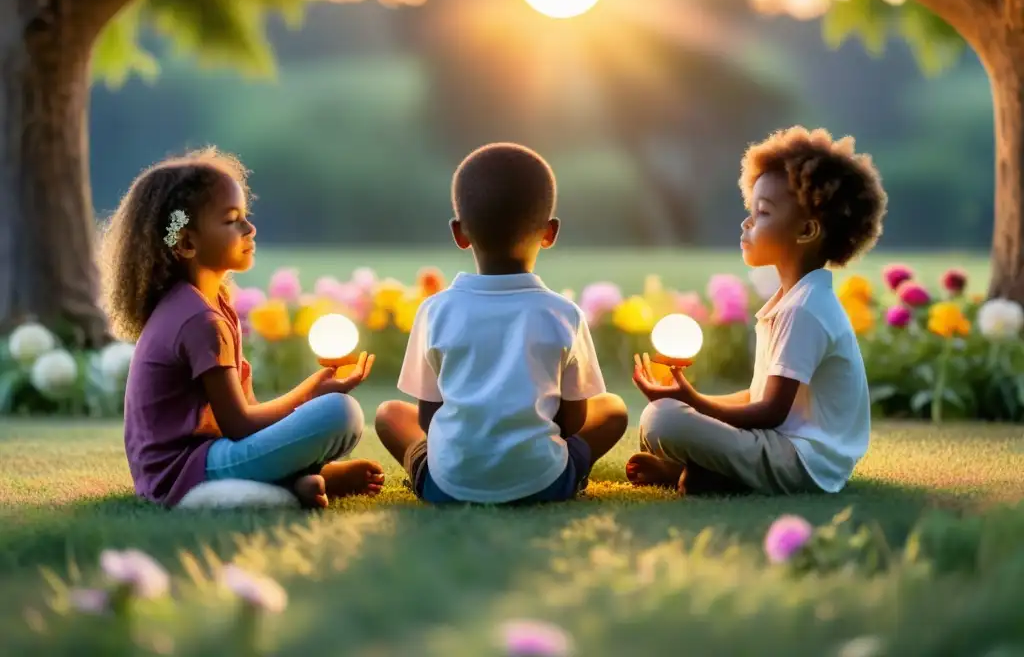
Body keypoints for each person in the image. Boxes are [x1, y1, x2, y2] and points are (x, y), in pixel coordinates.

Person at [102, 148, 385, 509]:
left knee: (335, 411)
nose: (249, 228)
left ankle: (294, 482)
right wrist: (310, 393)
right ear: (187, 242)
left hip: (206, 458)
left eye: (245, 217)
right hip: (183, 474)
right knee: (340, 414)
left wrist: (310, 397)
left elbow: (247, 417)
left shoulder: (211, 303)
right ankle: (293, 484)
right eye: (232, 220)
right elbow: (240, 425)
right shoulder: (197, 319)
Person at [627, 126, 887, 496]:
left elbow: (769, 413)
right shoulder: (794, 300)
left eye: (763, 212)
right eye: (751, 209)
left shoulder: (805, 310)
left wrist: (693, 404)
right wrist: (685, 399)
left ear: (807, 230)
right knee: (665, 414)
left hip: (803, 463)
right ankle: (701, 469)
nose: (747, 222)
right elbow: (756, 396)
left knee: (663, 421)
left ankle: (703, 470)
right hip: (782, 447)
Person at [375, 143, 629, 505]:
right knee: (614, 409)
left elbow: (430, 420)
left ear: (459, 233)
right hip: (544, 483)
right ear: (550, 232)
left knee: (390, 415)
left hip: (448, 487)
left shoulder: (435, 310)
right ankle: (553, 473)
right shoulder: (563, 313)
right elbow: (573, 423)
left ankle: (432, 476)